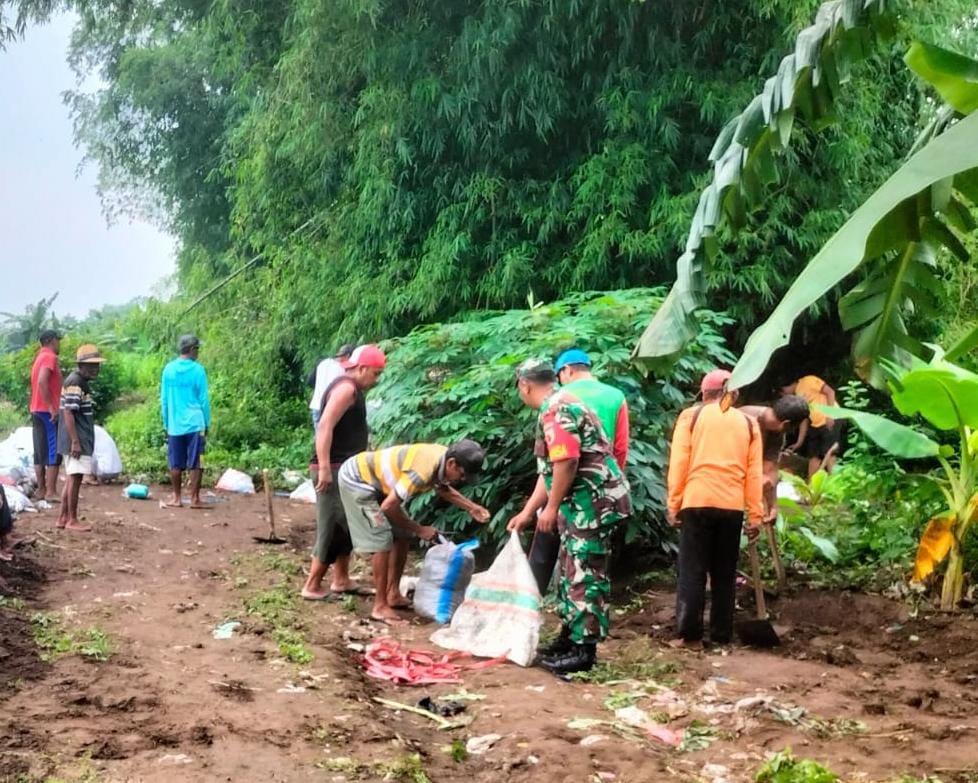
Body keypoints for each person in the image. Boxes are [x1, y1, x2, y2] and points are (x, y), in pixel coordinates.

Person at [508, 359, 631, 675]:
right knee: (568, 570)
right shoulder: (560, 402)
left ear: (524, 385)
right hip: (581, 503)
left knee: (584, 573)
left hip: (593, 504)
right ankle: (569, 637)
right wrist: (526, 513)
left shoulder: (556, 409)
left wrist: (550, 509)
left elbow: (567, 463)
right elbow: (548, 472)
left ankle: (584, 651)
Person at [337, 440, 490, 624]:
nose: (462, 480)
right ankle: (379, 606)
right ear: (451, 463)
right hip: (357, 480)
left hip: (380, 485)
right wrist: (419, 529)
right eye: (462, 474)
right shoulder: (421, 471)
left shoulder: (444, 458)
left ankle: (392, 593)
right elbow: (388, 507)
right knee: (381, 540)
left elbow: (442, 488)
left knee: (403, 535)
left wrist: (471, 507)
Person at [666, 369, 763, 649]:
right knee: (724, 573)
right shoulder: (748, 423)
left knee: (693, 571)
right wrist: (755, 515)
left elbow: (679, 464)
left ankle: (690, 636)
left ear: (704, 393)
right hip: (731, 506)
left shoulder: (691, 417)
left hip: (696, 501)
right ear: (734, 393)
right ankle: (721, 635)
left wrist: (674, 503)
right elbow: (753, 473)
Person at [527, 348, 631, 595]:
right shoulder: (616, 396)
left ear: (567, 371)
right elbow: (620, 449)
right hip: (603, 493)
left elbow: (562, 460)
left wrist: (547, 506)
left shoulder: (558, 400)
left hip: (570, 494)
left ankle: (556, 614)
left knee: (565, 563)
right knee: (585, 566)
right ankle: (576, 624)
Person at [301, 345, 387, 601]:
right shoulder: (346, 390)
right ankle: (312, 584)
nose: (376, 380)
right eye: (375, 373)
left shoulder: (352, 389)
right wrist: (325, 467)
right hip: (334, 468)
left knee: (345, 525)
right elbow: (324, 425)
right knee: (331, 524)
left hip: (346, 468)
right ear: (361, 368)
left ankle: (341, 579)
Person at [56, 345, 106, 532]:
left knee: (71, 478)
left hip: (74, 438)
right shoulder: (76, 382)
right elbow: (69, 412)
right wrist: (75, 441)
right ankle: (72, 519)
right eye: (91, 365)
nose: (95, 369)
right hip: (76, 439)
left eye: (97, 365)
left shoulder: (77, 381)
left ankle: (63, 517)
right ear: (81, 365)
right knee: (75, 479)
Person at [739, 396, 810, 521]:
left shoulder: (776, 433)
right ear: (787, 424)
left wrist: (773, 504)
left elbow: (769, 470)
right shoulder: (741, 419)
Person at [160, 334, 211, 509]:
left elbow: (164, 400)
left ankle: (177, 498)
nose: (198, 352)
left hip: (174, 424)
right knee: (198, 461)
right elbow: (203, 399)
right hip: (196, 423)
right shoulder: (198, 370)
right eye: (197, 348)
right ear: (191, 349)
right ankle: (195, 499)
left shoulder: (168, 369)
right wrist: (207, 422)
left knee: (175, 462)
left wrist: (166, 422)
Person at [781, 375, 840, 478]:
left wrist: (830, 415)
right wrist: (799, 442)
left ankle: (835, 484)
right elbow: (805, 419)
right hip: (815, 425)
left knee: (830, 453)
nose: (785, 395)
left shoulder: (808, 380)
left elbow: (830, 392)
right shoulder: (797, 396)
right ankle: (811, 487)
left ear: (787, 386)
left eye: (784, 392)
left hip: (830, 420)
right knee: (813, 456)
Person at [29, 329, 63, 504]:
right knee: (53, 450)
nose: (60, 344)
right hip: (46, 410)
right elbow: (43, 381)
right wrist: (52, 407)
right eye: (58, 340)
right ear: (51, 340)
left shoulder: (39, 357)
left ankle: (42, 490)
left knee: (39, 450)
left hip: (36, 408)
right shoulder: (50, 357)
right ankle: (51, 491)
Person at [309, 344, 356, 429]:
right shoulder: (343, 369)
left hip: (316, 406)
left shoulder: (322, 363)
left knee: (320, 437)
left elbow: (310, 381)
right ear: (348, 356)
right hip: (331, 408)